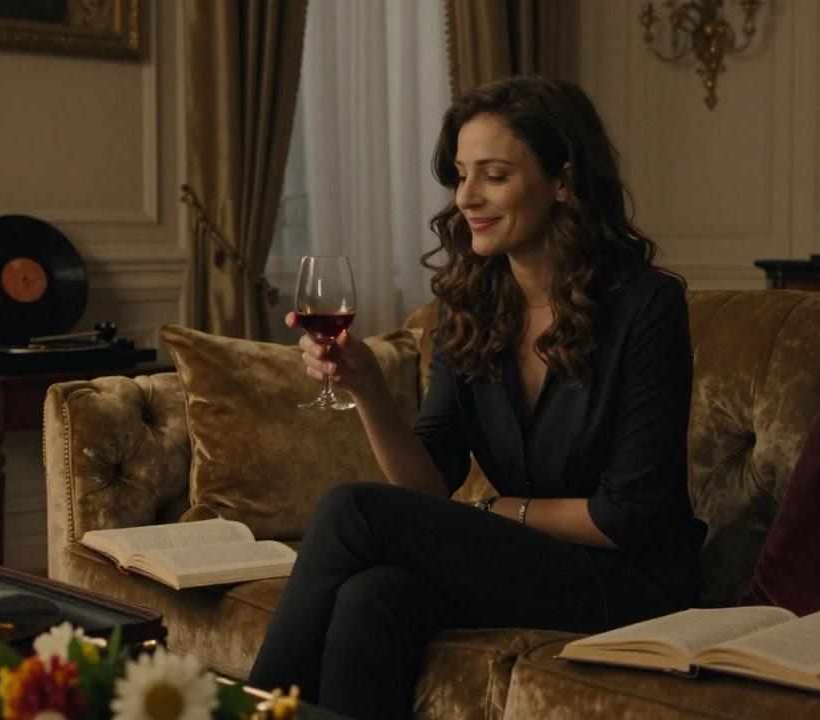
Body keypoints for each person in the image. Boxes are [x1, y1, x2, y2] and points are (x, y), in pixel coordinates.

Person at [248, 75, 708, 720]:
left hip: (634, 582)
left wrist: (499, 511)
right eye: (461, 174)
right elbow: (429, 483)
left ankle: (244, 713)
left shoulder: (646, 305)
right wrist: (368, 386)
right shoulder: (469, 302)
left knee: (351, 507)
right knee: (372, 598)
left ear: (563, 179)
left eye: (493, 174)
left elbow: (623, 517)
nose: (466, 197)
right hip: (532, 563)